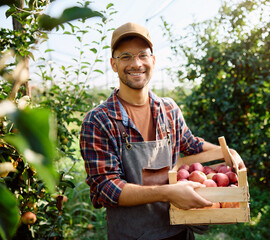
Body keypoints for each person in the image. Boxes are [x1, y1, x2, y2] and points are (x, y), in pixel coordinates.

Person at [80, 22, 246, 240]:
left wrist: (226, 152)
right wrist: (168, 192)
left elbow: (191, 143)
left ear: (153, 60)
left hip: (179, 231)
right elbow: (106, 187)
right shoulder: (98, 121)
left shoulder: (168, 109)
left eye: (142, 55)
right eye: (126, 57)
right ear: (113, 64)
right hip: (131, 235)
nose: (136, 63)